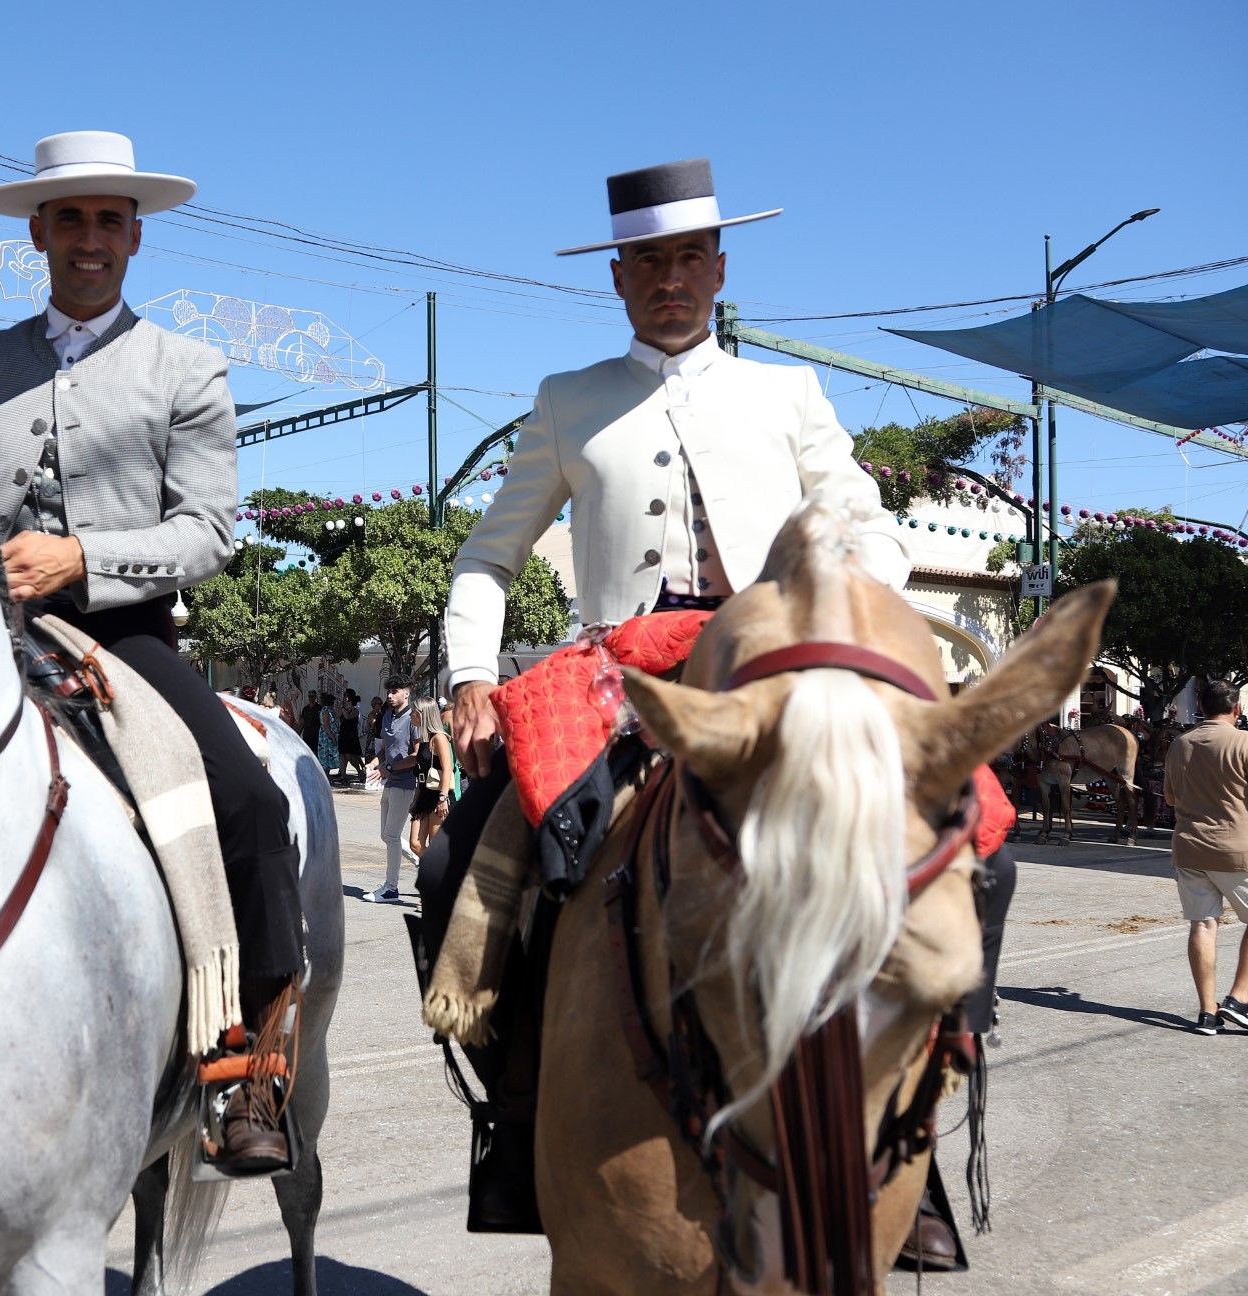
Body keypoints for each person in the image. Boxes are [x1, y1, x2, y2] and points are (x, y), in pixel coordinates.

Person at [418, 157, 911, 1231]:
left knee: (966, 847)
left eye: (688, 256)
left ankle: (908, 1132)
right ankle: (520, 1126)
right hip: (617, 686)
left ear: (719, 268)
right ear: (617, 277)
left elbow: (864, 519)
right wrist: (466, 672)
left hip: (774, 666)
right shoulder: (567, 401)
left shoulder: (785, 393)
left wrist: (849, 602)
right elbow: (482, 557)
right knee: (461, 858)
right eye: (647, 260)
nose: (669, 278)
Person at [0, 131, 301, 1175]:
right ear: (36, 233)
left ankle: (251, 1068)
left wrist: (78, 559)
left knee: (247, 800)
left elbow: (208, 533)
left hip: (123, 635)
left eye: (108, 220)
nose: (89, 238)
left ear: (135, 237)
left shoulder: (186, 367)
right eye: (70, 218)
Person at [1162, 679, 1248, 1036]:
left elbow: (1169, 799)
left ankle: (1207, 1012)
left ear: (1201, 705)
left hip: (1190, 848)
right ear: (1237, 709)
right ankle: (1239, 999)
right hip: (1239, 850)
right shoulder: (1245, 740)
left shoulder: (1180, 743)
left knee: (1203, 924)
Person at [365, 677, 417, 904]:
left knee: (392, 835)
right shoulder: (388, 716)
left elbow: (416, 757)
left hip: (406, 783)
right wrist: (374, 763)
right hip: (390, 781)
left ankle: (391, 888)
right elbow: (385, 750)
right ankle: (420, 862)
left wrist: (388, 768)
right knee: (386, 835)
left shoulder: (414, 717)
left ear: (406, 693)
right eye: (389, 691)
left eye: (395, 691)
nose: (389, 695)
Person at [408, 697, 455, 858]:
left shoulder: (439, 738)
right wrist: (416, 798)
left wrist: (443, 798)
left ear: (423, 714)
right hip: (423, 795)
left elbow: (448, 768)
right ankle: (438, 872)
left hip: (438, 795)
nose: (410, 715)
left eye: (413, 711)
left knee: (435, 845)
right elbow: (422, 772)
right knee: (415, 844)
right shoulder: (424, 739)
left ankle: (442, 876)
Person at [336, 687, 366, 786]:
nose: (344, 698)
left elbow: (348, 717)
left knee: (351, 755)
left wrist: (344, 708)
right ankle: (343, 776)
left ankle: (360, 770)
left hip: (351, 734)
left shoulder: (355, 709)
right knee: (342, 755)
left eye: (346, 696)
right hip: (343, 733)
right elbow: (337, 716)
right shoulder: (343, 708)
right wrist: (342, 708)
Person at [315, 692, 340, 776]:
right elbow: (326, 726)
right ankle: (325, 777)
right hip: (326, 738)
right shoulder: (326, 711)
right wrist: (332, 737)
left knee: (329, 759)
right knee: (325, 758)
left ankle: (327, 776)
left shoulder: (330, 710)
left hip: (330, 736)